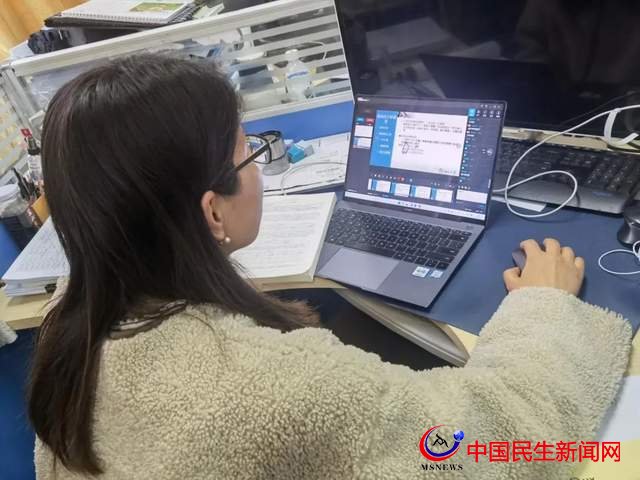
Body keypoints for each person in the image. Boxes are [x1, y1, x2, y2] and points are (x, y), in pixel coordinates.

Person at [30, 54, 632, 479]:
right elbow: (495, 443)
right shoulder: (270, 388)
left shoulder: (69, 324)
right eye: (250, 152)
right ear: (211, 211)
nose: (258, 168)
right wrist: (544, 308)